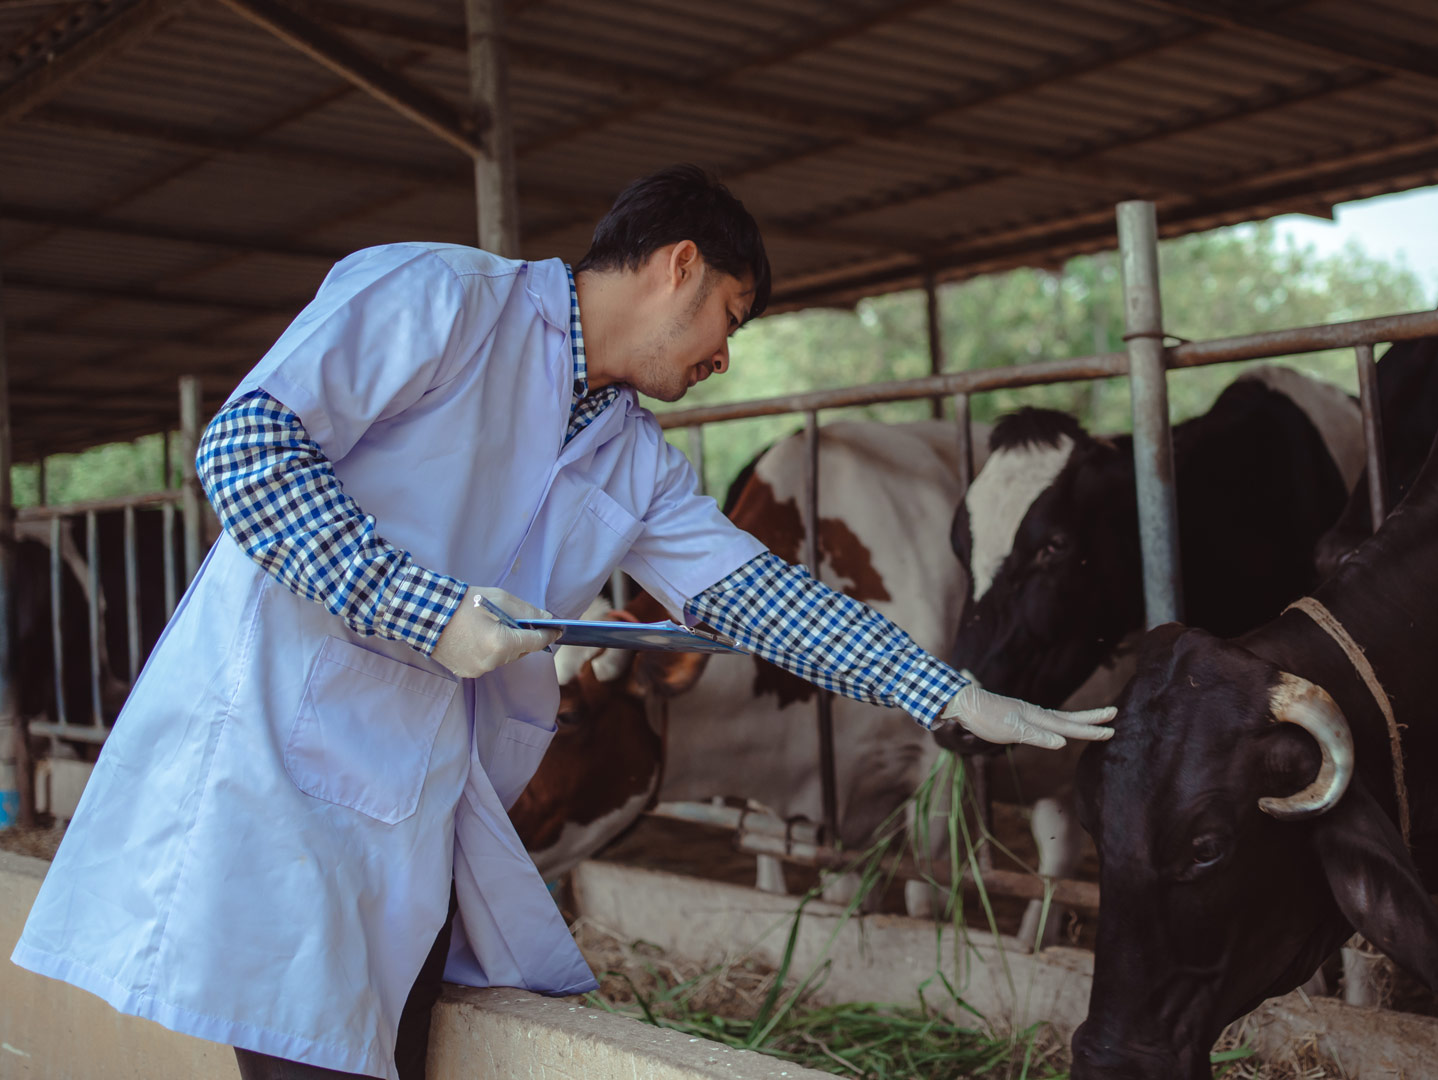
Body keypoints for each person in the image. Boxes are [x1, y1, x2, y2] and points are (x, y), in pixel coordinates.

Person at [10, 165, 1113, 1080]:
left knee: (393, 1048)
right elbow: (245, 451)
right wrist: (423, 611)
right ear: (681, 265)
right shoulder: (441, 297)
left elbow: (759, 593)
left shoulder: (634, 456)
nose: (724, 357)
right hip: (281, 771)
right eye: (730, 318)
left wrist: (947, 691)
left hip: (419, 798)